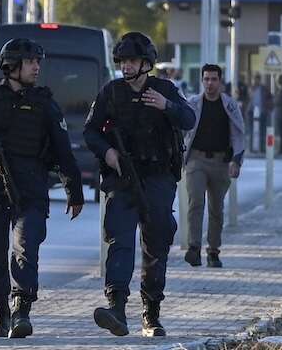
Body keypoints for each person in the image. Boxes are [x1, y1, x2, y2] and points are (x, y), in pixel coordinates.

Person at [0, 39, 85, 338]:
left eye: (38, 61)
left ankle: (21, 309)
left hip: (31, 187)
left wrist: (74, 190)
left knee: (26, 248)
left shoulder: (44, 102)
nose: (37, 67)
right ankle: (0, 313)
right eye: (31, 61)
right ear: (12, 65)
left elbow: (62, 150)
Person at [84, 32, 196, 338]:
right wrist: (107, 152)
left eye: (132, 60)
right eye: (122, 61)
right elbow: (90, 131)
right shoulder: (111, 92)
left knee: (156, 242)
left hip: (158, 178)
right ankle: (116, 307)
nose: (127, 66)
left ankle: (151, 312)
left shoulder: (164, 89)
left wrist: (166, 106)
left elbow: (188, 118)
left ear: (146, 63)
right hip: (122, 179)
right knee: (119, 239)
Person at [182, 64, 246, 269]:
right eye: (206, 79)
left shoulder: (229, 105)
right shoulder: (193, 104)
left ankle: (213, 251)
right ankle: (194, 248)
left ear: (220, 81)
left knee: (216, 208)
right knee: (196, 202)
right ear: (202, 81)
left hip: (221, 162)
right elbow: (182, 129)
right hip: (196, 160)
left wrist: (236, 160)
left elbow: (238, 133)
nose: (210, 83)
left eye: (214, 79)